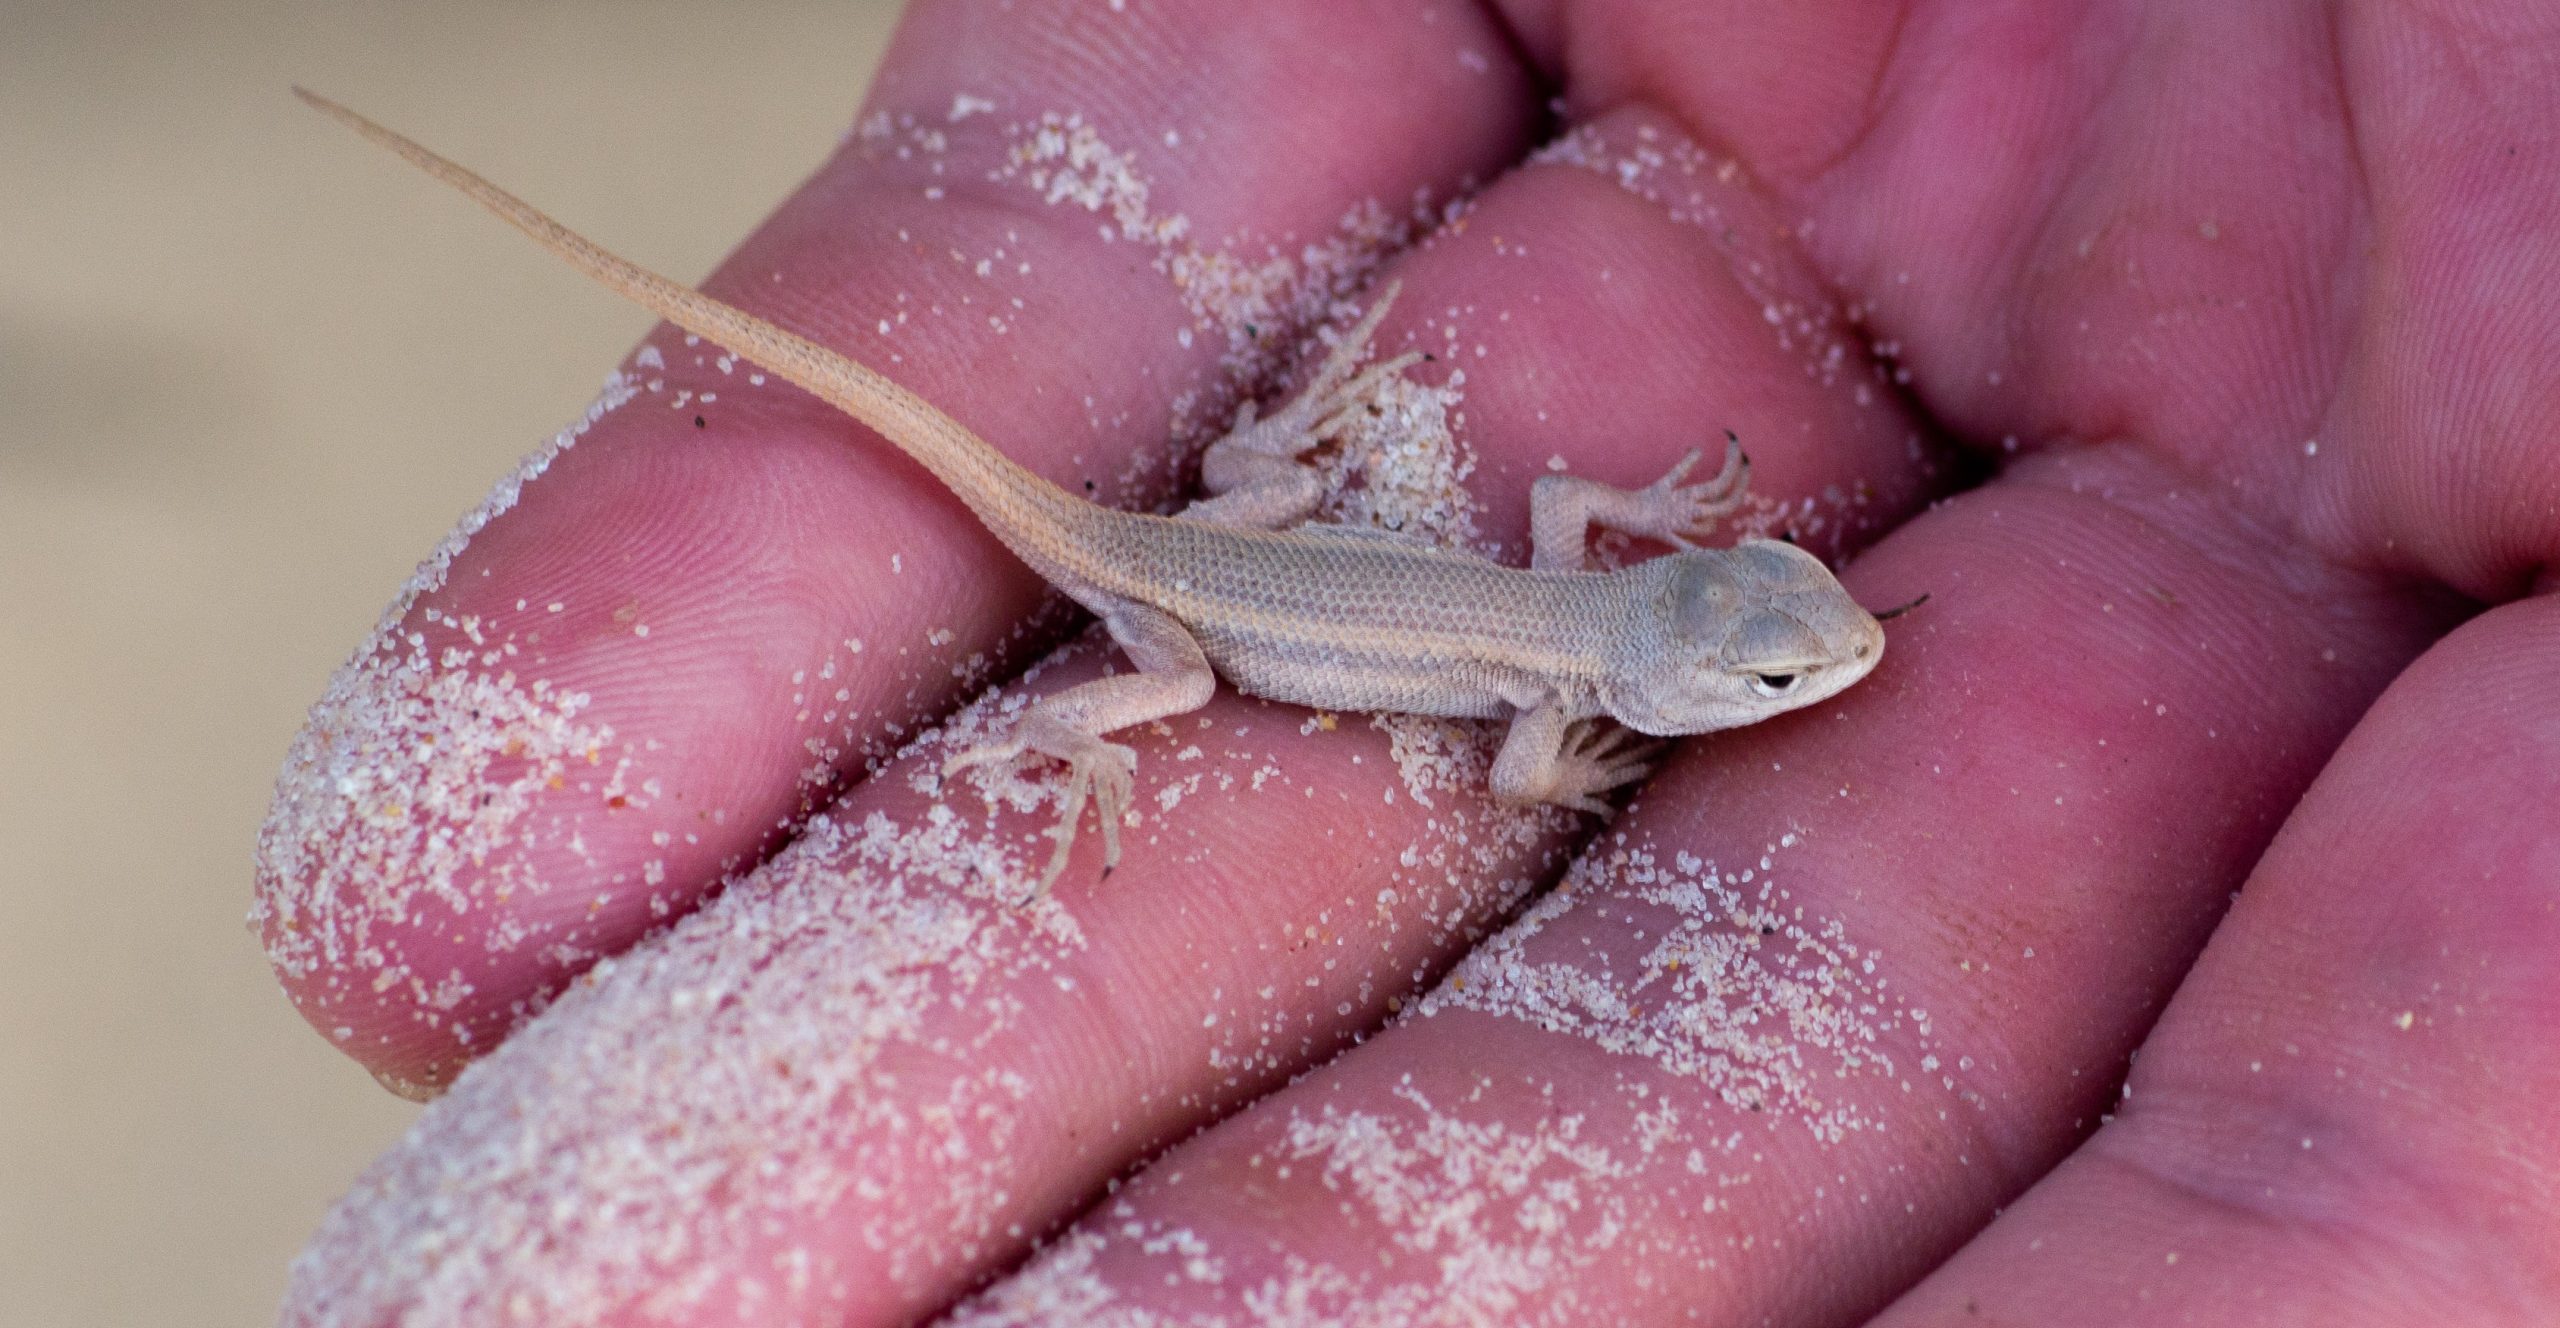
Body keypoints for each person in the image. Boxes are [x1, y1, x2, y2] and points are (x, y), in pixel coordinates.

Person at [266, 3, 2560, 1323]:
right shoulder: (1569, 690)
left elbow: (1576, 552)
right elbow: (1501, 771)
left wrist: (1661, 540)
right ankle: (1063, 749)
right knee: (1134, 716)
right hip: (1170, 605)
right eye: (1773, 663)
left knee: (1254, 522)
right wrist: (1563, 753)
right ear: (1668, 672)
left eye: (1775, 651)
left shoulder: (1600, 599)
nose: (1804, 655)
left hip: (1237, 535)